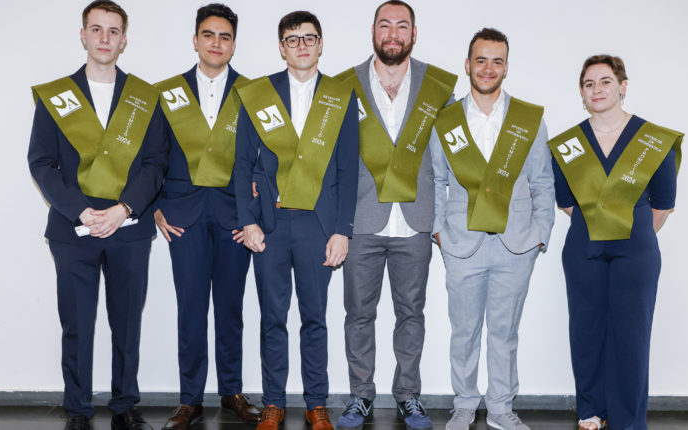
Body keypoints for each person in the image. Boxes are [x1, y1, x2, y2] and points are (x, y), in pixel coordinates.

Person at [27, 1, 167, 429]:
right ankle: (78, 410)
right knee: (76, 325)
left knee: (127, 324)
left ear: (124, 40)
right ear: (83, 34)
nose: (105, 38)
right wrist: (81, 211)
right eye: (96, 29)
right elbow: (41, 163)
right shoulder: (57, 97)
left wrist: (123, 209)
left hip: (129, 228)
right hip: (74, 230)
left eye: (113, 30)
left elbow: (156, 163)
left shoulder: (145, 97)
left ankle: (125, 406)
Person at [233, 10, 359, 430]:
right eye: (292, 39)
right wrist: (247, 221)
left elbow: (348, 170)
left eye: (309, 38)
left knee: (314, 319)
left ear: (321, 44)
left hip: (318, 226)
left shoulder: (341, 96)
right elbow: (242, 164)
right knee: (272, 318)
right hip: (270, 224)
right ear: (281, 47)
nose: (301, 45)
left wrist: (342, 230)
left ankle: (316, 403)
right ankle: (273, 402)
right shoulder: (259, 94)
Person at [334, 2, 456, 429]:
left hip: (416, 220)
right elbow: (328, 154)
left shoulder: (436, 87)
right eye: (384, 25)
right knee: (358, 314)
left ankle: (408, 396)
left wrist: (446, 218)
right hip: (361, 219)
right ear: (373, 31)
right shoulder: (343, 84)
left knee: (411, 314)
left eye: (401, 26)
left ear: (413, 34)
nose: (392, 33)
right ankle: (360, 396)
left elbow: (450, 157)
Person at [429, 28, 554, 430]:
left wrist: (540, 234)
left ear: (506, 67)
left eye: (496, 61)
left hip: (515, 244)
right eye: (481, 60)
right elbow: (436, 180)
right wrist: (438, 231)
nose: (488, 68)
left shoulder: (528, 119)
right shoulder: (446, 120)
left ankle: (500, 407)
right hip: (461, 243)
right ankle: (465, 403)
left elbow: (543, 182)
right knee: (464, 331)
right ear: (468, 65)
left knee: (505, 332)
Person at [548, 55, 682, 430]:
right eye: (589, 83)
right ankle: (591, 409)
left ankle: (627, 418)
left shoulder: (653, 140)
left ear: (623, 86)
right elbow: (566, 202)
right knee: (586, 330)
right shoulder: (568, 144)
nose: (597, 89)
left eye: (606, 81)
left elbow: (663, 204)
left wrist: (628, 230)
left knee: (631, 336)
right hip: (583, 247)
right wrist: (600, 223)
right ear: (581, 93)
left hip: (636, 250)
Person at [153, 4, 259, 429]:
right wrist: (155, 207)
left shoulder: (252, 93)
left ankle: (231, 391)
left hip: (235, 217)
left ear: (234, 44)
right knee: (191, 309)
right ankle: (190, 399)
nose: (217, 43)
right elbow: (151, 156)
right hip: (184, 216)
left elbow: (263, 158)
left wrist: (253, 213)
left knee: (231, 308)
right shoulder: (168, 93)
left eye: (225, 36)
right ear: (195, 40)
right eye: (209, 35)